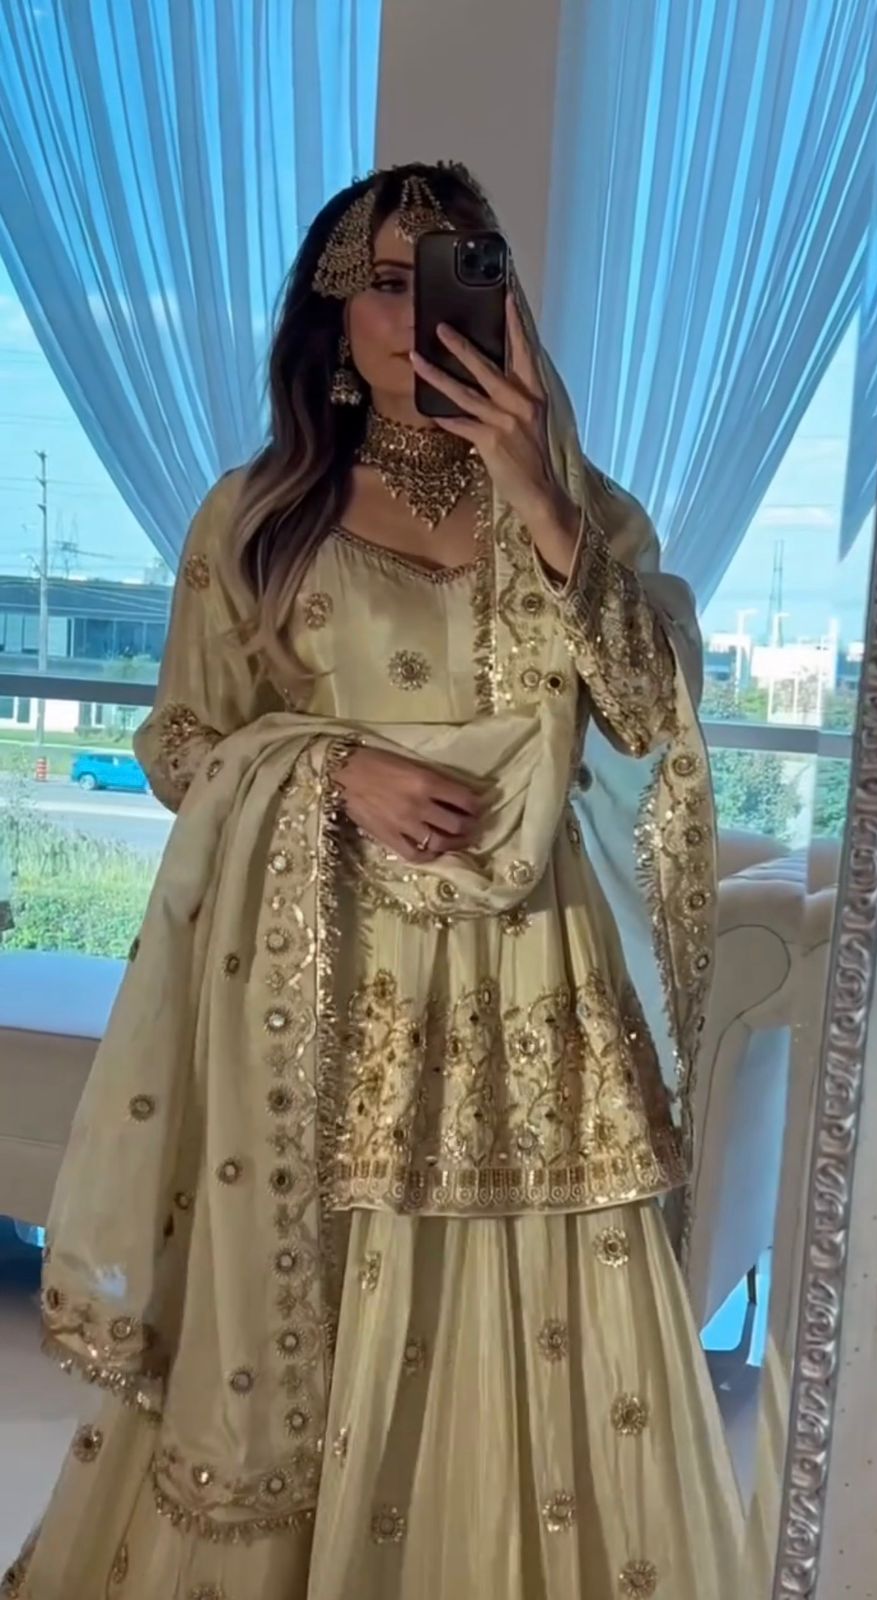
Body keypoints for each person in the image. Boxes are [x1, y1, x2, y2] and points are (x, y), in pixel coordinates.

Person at [3, 162, 741, 1600]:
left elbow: (656, 715)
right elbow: (180, 741)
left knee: (546, 1311)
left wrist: (538, 491)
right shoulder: (260, 512)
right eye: (387, 285)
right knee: (317, 1297)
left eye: (458, 277)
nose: (419, 317)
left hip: (538, 984)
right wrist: (334, 769)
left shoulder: (587, 511)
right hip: (326, 976)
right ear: (331, 319)